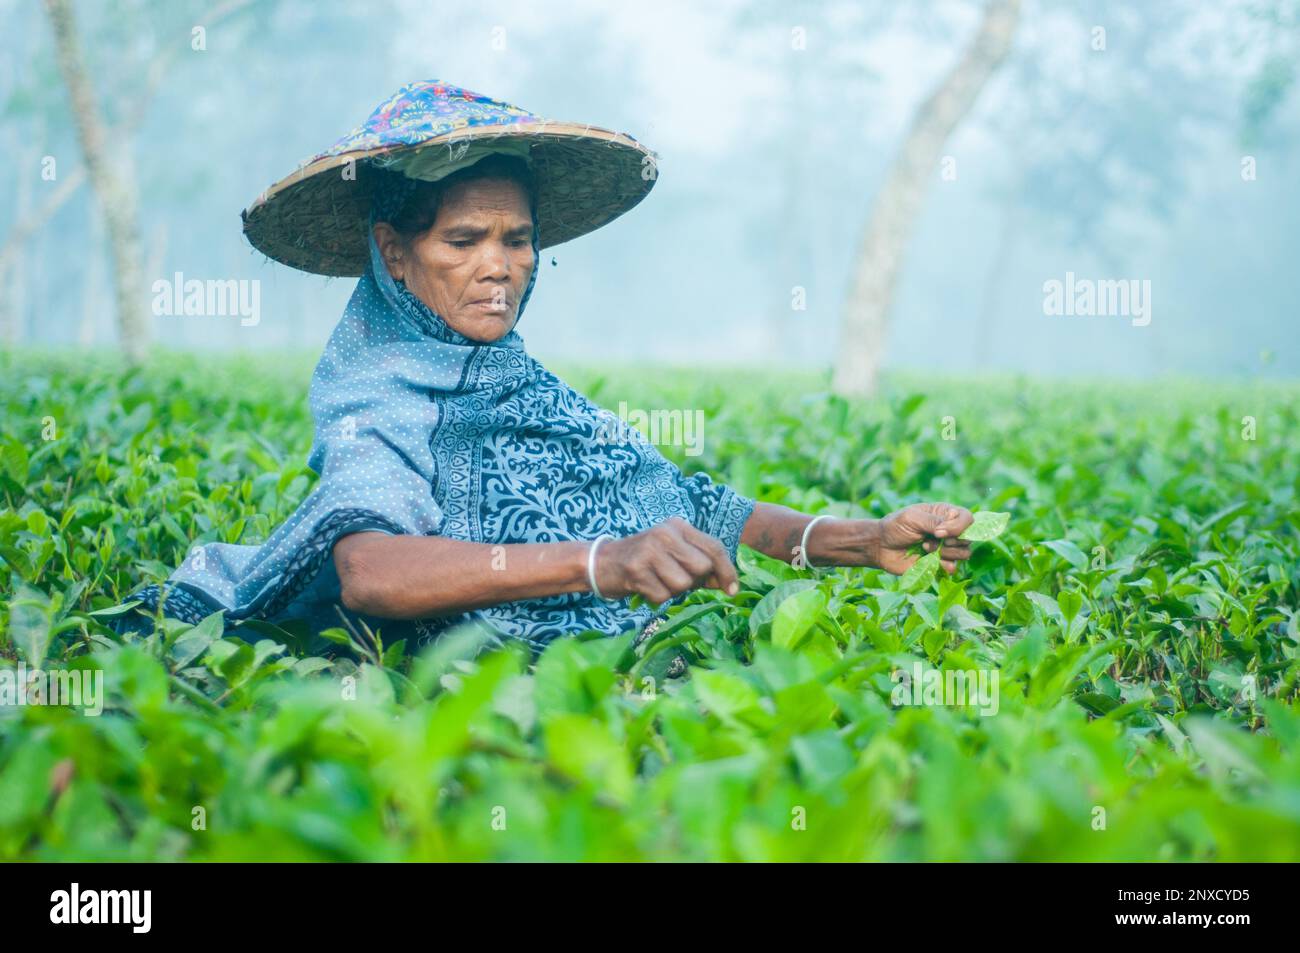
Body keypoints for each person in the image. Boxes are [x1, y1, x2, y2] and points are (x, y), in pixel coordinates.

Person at [113, 80, 974, 657]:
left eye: (517, 240)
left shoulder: (515, 381)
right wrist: (600, 562)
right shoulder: (379, 395)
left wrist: (863, 541)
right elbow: (367, 569)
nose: (500, 266)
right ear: (394, 254)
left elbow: (695, 507)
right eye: (463, 241)